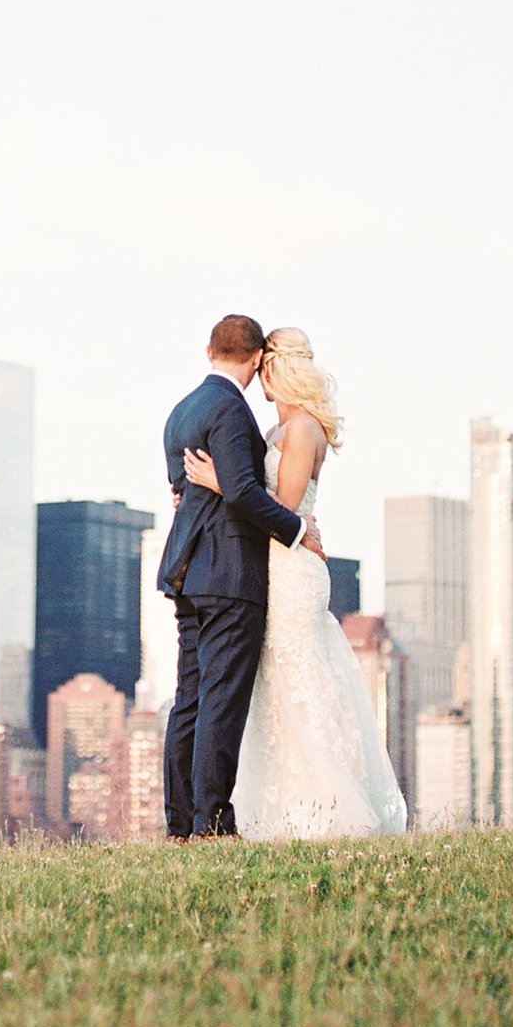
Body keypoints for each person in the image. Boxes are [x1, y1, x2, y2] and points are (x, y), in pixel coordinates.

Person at [181, 325, 408, 839]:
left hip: (293, 571)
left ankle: (329, 807)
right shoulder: (273, 432)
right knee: (273, 686)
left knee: (302, 678)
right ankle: (283, 812)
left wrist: (221, 483)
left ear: (278, 367)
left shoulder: (304, 428)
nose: (258, 375)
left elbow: (282, 509)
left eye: (264, 366)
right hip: (270, 566)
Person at [155, 313, 324, 838]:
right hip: (229, 576)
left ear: (209, 351)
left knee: (190, 700)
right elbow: (246, 494)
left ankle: (180, 823)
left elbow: (181, 492)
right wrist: (298, 529)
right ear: (255, 361)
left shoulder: (180, 412)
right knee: (221, 702)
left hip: (187, 573)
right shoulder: (232, 412)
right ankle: (211, 820)